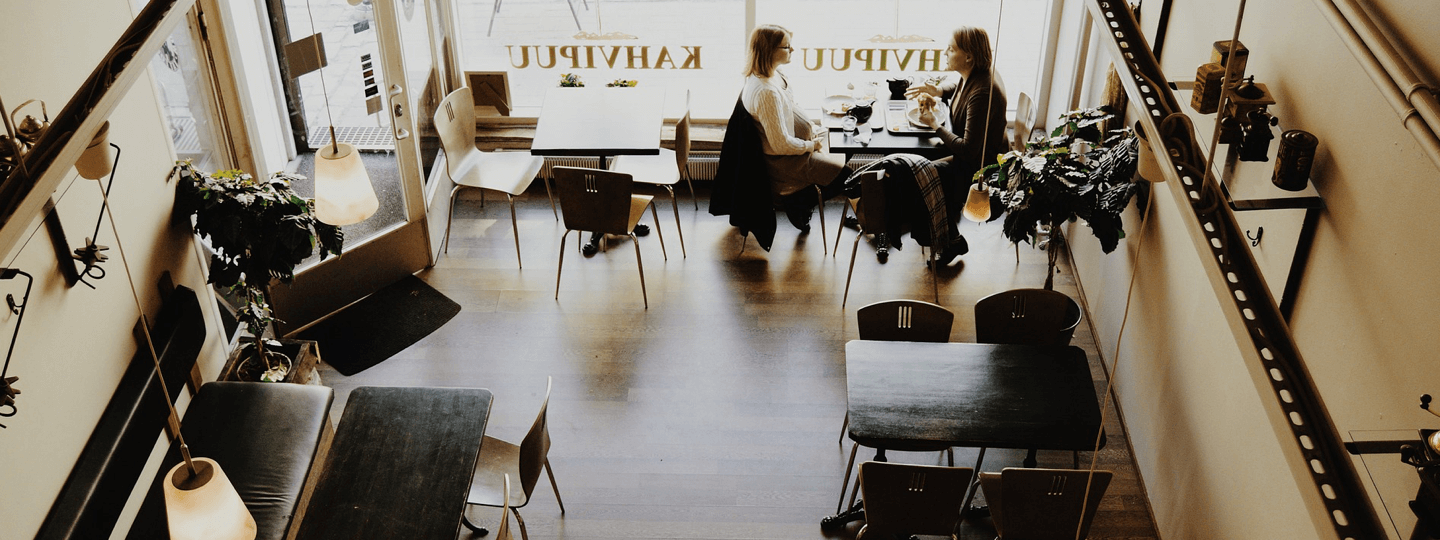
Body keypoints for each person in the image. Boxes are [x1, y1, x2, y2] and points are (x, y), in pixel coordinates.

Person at [906, 26, 1008, 264]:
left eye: (951, 49)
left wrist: (934, 125)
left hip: (978, 170)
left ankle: (950, 240)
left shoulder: (983, 92)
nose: (945, 52)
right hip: (972, 157)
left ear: (969, 56)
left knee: (919, 178)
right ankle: (940, 229)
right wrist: (939, 90)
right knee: (918, 168)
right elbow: (960, 87)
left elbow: (968, 150)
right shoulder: (977, 74)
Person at [741, 24, 849, 232]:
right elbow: (780, 144)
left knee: (846, 142)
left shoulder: (775, 74)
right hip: (790, 161)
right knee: (848, 178)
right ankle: (797, 203)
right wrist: (810, 145)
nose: (793, 50)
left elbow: (789, 109)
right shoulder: (765, 92)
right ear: (769, 50)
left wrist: (812, 129)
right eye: (786, 47)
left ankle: (807, 196)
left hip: (802, 146)